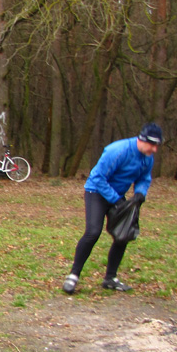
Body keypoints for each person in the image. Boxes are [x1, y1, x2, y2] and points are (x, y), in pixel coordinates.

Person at [62, 123, 162, 294]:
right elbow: (98, 177)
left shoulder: (147, 158)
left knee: (123, 234)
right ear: (142, 139)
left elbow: (144, 178)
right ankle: (73, 275)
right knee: (93, 232)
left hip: (117, 195)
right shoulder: (118, 151)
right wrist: (116, 200)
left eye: (157, 146)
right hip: (96, 192)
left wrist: (140, 193)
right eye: (152, 145)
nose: (154, 149)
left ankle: (110, 278)